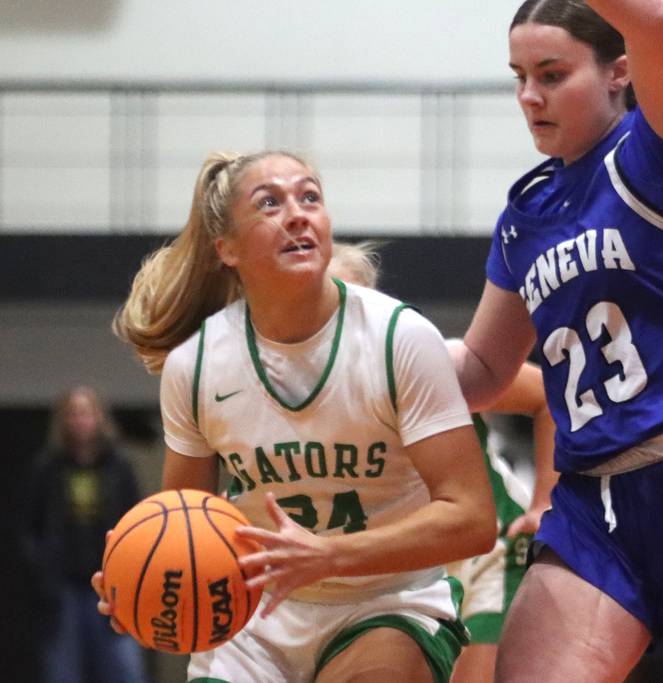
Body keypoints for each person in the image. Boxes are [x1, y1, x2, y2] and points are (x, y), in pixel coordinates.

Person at [448, 1, 663, 681]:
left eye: (551, 73)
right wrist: (372, 350)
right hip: (595, 498)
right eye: (518, 75)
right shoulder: (525, 216)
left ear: (619, 72)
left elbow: (657, 23)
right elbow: (485, 367)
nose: (529, 95)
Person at [94, 150, 496, 683]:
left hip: (387, 601)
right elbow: (187, 518)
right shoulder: (196, 366)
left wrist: (329, 555)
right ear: (226, 248)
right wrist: (144, 577)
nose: (298, 213)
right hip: (254, 616)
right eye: (270, 204)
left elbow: (472, 519)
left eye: (310, 197)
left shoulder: (398, 338)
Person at [328, 240, 559, 683]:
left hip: (487, 549)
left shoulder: (430, 362)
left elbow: (547, 399)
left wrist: (545, 503)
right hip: (404, 562)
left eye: (352, 305)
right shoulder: (306, 394)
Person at [27, 385, 150, 683]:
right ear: (63, 420)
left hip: (112, 585)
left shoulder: (119, 466)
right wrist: (45, 568)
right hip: (63, 587)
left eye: (85, 412)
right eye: (73, 413)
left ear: (98, 417)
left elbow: (138, 522)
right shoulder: (48, 467)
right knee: (61, 672)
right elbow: (30, 527)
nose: (80, 420)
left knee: (125, 671)